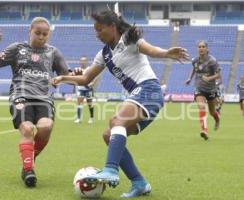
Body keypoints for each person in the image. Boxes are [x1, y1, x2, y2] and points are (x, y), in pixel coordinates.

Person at [52, 10, 189, 198]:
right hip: (140, 95)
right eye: (96, 31)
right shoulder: (103, 54)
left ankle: (110, 169)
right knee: (109, 135)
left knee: (117, 121)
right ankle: (139, 182)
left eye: (100, 30)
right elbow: (85, 78)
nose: (97, 34)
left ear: (112, 27)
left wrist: (166, 52)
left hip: (149, 90)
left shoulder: (130, 39)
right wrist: (62, 78)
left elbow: (151, 50)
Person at [0, 17, 78, 188]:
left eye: (45, 34)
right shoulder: (16, 49)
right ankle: (28, 171)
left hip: (43, 98)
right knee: (27, 129)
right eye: (38, 33)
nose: (41, 37)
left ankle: (30, 157)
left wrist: (76, 72)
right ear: (30, 31)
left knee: (46, 127)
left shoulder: (54, 52)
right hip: (20, 95)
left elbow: (67, 76)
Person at [185, 40, 221, 140]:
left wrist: (209, 78)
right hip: (199, 87)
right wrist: (189, 78)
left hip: (211, 89)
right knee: (201, 107)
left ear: (207, 48)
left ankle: (217, 119)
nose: (201, 48)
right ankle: (204, 130)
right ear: (197, 48)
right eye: (199, 47)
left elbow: (218, 75)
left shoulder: (212, 61)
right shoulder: (195, 60)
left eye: (203, 46)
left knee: (212, 112)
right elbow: (194, 68)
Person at [74, 56, 99, 124]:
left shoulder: (89, 69)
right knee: (79, 103)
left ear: (86, 62)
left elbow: (96, 76)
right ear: (80, 62)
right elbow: (74, 78)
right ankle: (79, 119)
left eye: (84, 61)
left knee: (90, 104)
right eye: (81, 61)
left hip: (88, 89)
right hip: (80, 89)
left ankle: (91, 118)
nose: (83, 62)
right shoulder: (77, 70)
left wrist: (93, 83)